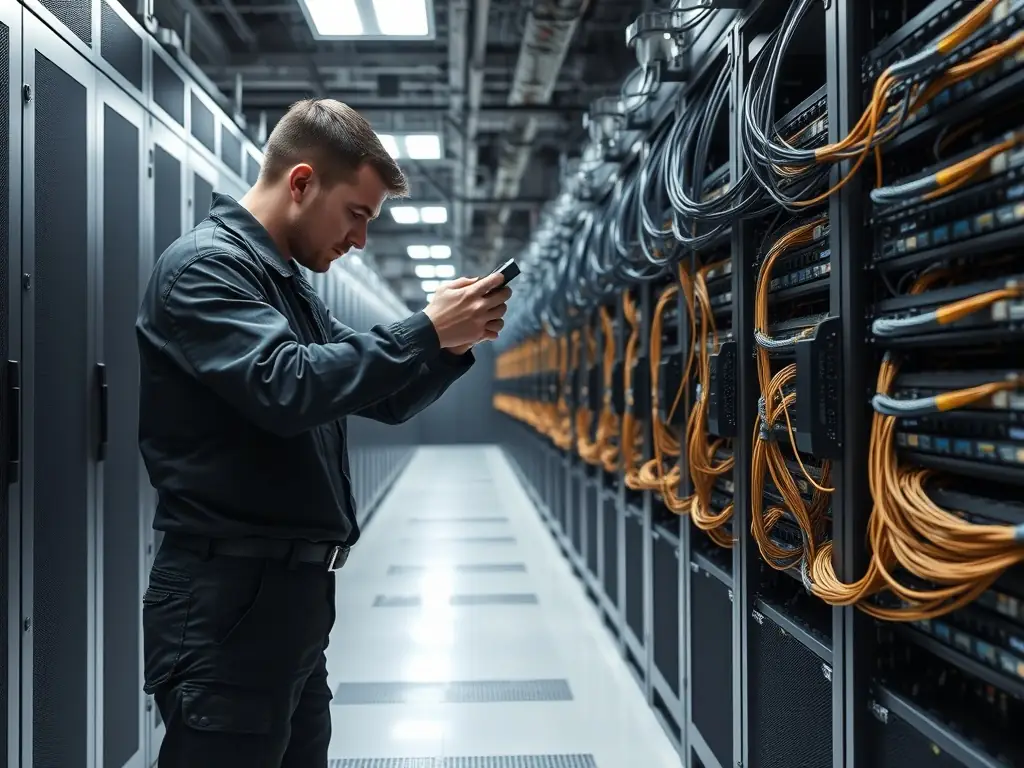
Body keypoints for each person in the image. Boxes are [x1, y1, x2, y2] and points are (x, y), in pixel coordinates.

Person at [135, 98, 511, 767]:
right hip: (227, 603)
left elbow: (380, 396)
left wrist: (449, 346)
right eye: (357, 214)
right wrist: (423, 330)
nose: (360, 239)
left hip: (288, 603)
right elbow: (289, 387)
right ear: (302, 182)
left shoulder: (287, 286)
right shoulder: (206, 267)